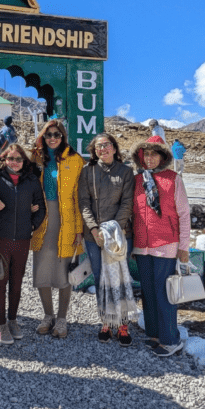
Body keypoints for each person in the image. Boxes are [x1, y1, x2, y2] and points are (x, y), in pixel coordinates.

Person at [131, 139, 191, 357]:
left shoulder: (173, 180)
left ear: (163, 157)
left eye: (154, 154)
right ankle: (154, 335)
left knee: (164, 292)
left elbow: (184, 214)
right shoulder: (137, 180)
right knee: (147, 292)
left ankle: (170, 339)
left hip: (166, 243)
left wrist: (184, 247)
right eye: (145, 154)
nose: (149, 158)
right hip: (142, 245)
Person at [29, 119, 85, 339]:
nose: (53, 138)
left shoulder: (75, 160)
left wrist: (79, 228)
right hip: (42, 218)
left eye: (57, 135)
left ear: (63, 137)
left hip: (67, 219)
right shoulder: (35, 157)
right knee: (42, 268)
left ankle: (62, 319)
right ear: (43, 136)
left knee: (64, 270)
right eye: (49, 135)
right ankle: (47, 315)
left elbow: (80, 198)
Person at [78, 132, 135, 345]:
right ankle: (105, 322)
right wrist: (93, 229)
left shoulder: (126, 172)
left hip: (119, 236)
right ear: (94, 150)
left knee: (119, 278)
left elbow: (127, 203)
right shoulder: (87, 172)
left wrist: (112, 230)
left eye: (107, 145)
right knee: (102, 278)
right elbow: (84, 202)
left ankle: (122, 324)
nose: (103, 149)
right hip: (94, 237)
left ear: (114, 147)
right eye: (99, 146)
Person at [0, 143, 46, 344]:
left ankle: (12, 320)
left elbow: (42, 208)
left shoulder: (31, 180)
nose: (15, 162)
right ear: (4, 159)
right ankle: (1, 324)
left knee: (17, 283)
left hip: (22, 239)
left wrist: (31, 225)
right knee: (0, 282)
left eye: (18, 159)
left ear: (24, 161)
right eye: (11, 159)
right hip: (0, 237)